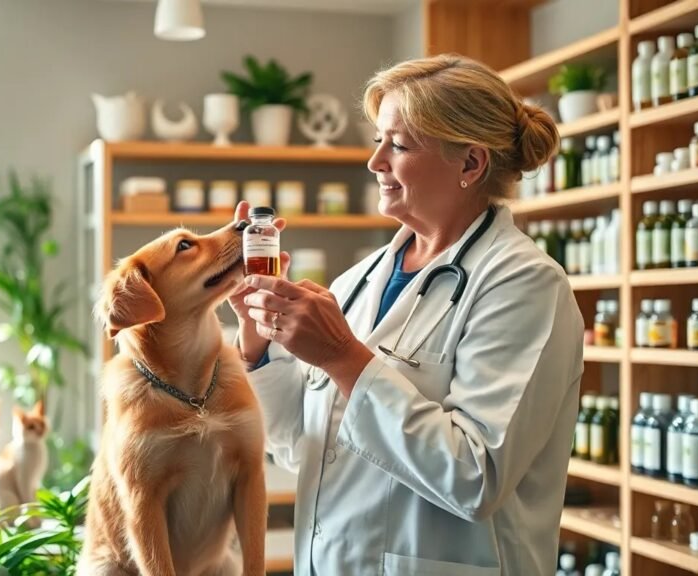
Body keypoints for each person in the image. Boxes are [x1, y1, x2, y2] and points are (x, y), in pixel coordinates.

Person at [228, 54, 583, 575]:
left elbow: (475, 476)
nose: (375, 162)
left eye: (398, 144)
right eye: (378, 140)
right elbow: (302, 450)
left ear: (470, 163)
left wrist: (343, 357)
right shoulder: (355, 283)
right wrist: (258, 344)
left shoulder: (524, 284)